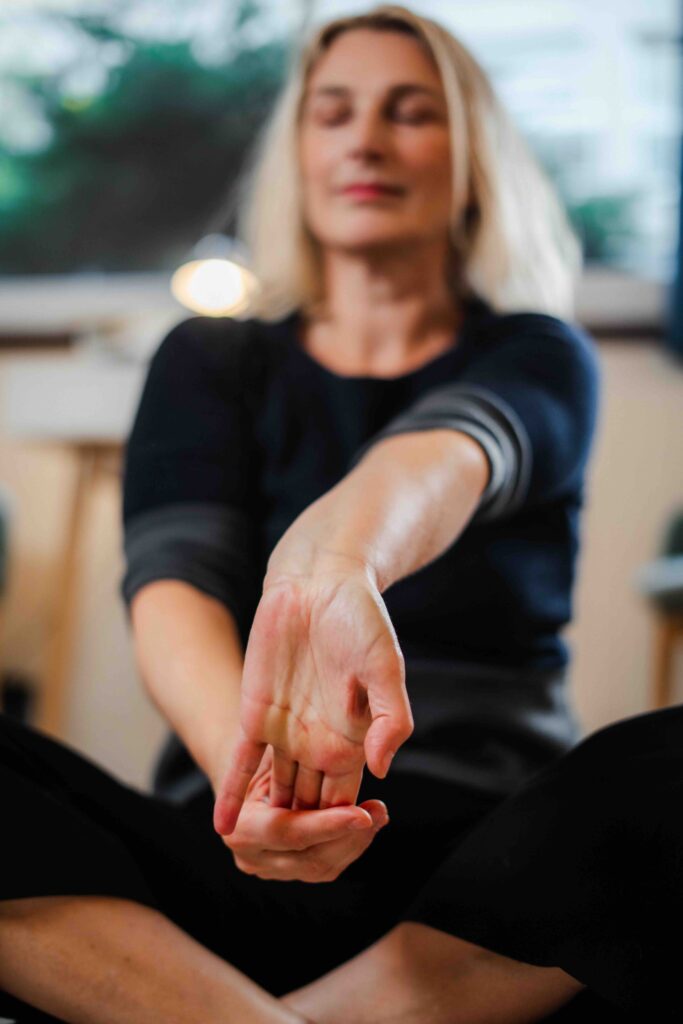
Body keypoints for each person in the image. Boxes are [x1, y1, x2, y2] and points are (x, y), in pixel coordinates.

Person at [0, 5, 636, 1023]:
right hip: (226, 850)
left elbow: (447, 454)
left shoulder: (537, 351)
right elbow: (171, 590)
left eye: (409, 112)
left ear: (471, 157)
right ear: (296, 151)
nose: (365, 141)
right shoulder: (209, 357)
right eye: (332, 112)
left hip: (481, 883)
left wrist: (330, 565)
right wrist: (258, 782)